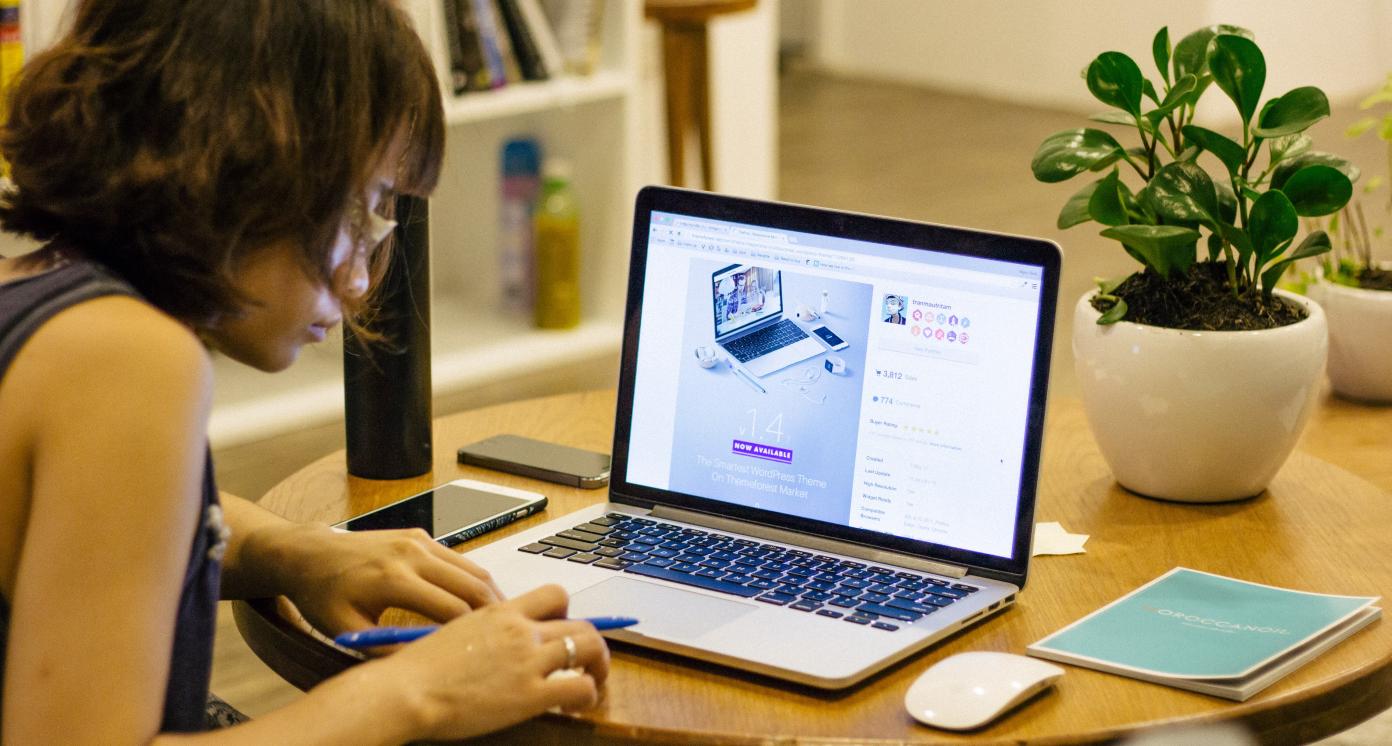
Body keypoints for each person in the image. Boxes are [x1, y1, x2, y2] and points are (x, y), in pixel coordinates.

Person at [0, 1, 608, 743]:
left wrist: (285, 551)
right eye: (367, 210)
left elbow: (86, 541)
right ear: (258, 163)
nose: (360, 280)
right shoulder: (133, 360)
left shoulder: (33, 288)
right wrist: (418, 693)